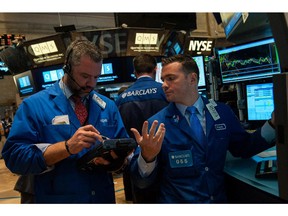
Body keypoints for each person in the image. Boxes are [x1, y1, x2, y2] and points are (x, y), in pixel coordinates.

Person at [129, 54, 276, 203]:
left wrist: (273, 124)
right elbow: (140, 181)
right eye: (163, 80)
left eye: (171, 78)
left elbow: (245, 147)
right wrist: (147, 158)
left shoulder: (222, 112)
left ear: (192, 79)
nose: (164, 85)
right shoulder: (156, 124)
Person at [2, 39, 130, 203]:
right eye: (84, 76)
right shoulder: (34, 106)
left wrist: (116, 161)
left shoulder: (108, 106)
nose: (91, 84)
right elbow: (15, 158)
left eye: (96, 77)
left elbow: (125, 153)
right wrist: (66, 147)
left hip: (102, 198)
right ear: (67, 67)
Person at [115, 53, 169, 203]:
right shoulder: (165, 92)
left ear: (135, 72)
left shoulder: (121, 98)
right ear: (156, 69)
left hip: (137, 165)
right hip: (167, 161)